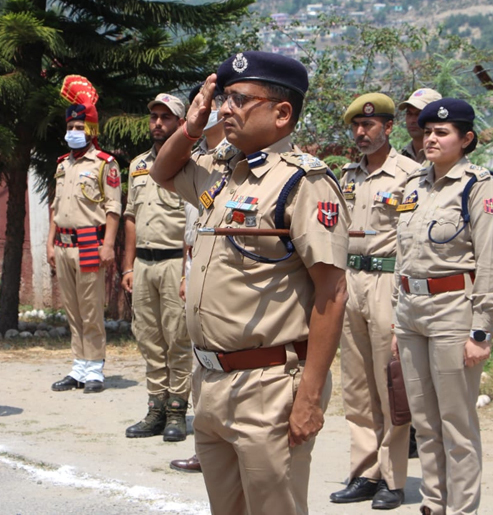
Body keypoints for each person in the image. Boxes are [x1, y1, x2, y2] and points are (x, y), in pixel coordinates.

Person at [151, 51, 349, 514]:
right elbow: (162, 171)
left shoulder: (303, 183)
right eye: (224, 99)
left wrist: (310, 398)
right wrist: (192, 125)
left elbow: (332, 293)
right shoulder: (225, 174)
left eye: (240, 100)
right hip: (212, 379)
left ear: (282, 113)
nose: (225, 109)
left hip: (269, 385)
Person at [392, 99, 493, 515]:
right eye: (426, 132)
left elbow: (491, 263)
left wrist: (481, 331)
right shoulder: (414, 185)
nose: (431, 139)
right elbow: (401, 257)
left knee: (456, 425)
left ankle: (461, 510)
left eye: (442, 133)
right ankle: (433, 504)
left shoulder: (480, 186)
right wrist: (396, 318)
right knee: (424, 422)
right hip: (410, 312)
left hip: (452, 311)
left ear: (467, 139)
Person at [329, 93, 419, 509]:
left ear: (388, 127)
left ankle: (393, 480)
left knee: (389, 385)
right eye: (356, 127)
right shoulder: (347, 176)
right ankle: (364, 472)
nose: (361, 133)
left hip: (387, 280)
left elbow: (414, 241)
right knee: (357, 384)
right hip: (351, 280)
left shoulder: (410, 175)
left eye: (369, 126)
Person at [169, 84, 240, 473]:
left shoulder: (232, 160)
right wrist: (186, 270)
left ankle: (226, 440)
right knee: (200, 360)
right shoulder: (197, 159)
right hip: (197, 263)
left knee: (225, 359)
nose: (215, 109)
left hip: (225, 269)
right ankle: (206, 442)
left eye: (218, 102)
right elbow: (191, 226)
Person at [122, 93, 192, 441]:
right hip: (143, 264)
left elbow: (192, 222)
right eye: (154, 117)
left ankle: (178, 410)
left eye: (166, 118)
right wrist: (127, 267)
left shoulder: (189, 164)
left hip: (174, 263)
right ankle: (156, 407)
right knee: (148, 338)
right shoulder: (137, 165)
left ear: (181, 123)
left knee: (177, 338)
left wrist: (186, 272)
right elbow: (131, 217)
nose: (158, 124)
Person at [47, 76, 121, 394]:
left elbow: (113, 208)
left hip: (90, 242)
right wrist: (49, 242)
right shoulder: (63, 164)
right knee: (72, 308)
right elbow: (55, 206)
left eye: (80, 127)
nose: (74, 132)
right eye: (71, 127)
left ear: (90, 130)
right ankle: (78, 366)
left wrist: (108, 245)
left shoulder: (106, 164)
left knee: (91, 309)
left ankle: (95, 369)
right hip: (62, 243)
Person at [399, 88, 442, 164]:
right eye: (409, 113)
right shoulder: (399, 157)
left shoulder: (444, 159)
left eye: (419, 114)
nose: (412, 120)